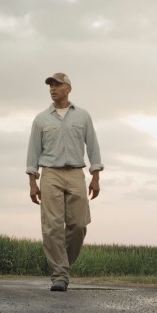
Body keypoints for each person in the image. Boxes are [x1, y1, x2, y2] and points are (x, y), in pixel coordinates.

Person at [26, 72, 103, 292]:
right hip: (50, 173)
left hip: (76, 173)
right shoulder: (41, 119)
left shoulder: (83, 116)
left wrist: (96, 176)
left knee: (78, 225)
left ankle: (63, 266)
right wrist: (33, 181)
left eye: (57, 85)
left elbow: (93, 147)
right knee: (52, 227)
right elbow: (33, 152)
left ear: (68, 88)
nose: (52, 88)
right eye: (50, 85)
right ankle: (59, 275)